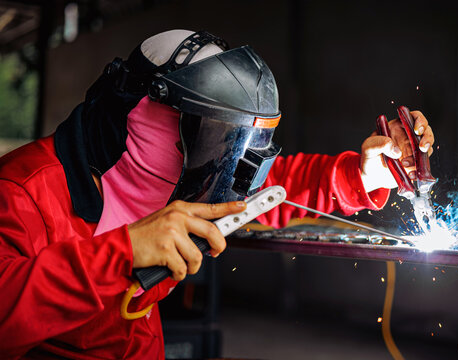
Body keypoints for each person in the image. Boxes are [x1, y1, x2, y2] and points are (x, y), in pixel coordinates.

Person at [0, 30, 434, 359]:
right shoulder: (23, 190)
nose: (229, 167)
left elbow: (279, 186)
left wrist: (365, 175)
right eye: (216, 140)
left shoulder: (187, 183)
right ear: (142, 111)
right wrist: (123, 252)